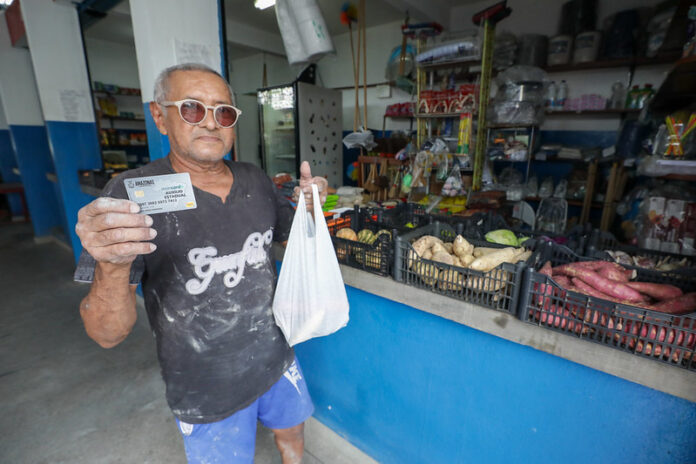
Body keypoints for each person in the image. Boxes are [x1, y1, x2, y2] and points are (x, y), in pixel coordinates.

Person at [74, 63, 328, 464]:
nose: (210, 122)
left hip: (275, 357)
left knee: (293, 435)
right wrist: (112, 264)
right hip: (204, 385)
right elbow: (107, 334)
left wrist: (313, 208)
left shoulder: (255, 179)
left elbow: (294, 238)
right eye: (192, 108)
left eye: (223, 112)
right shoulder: (130, 196)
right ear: (160, 116)